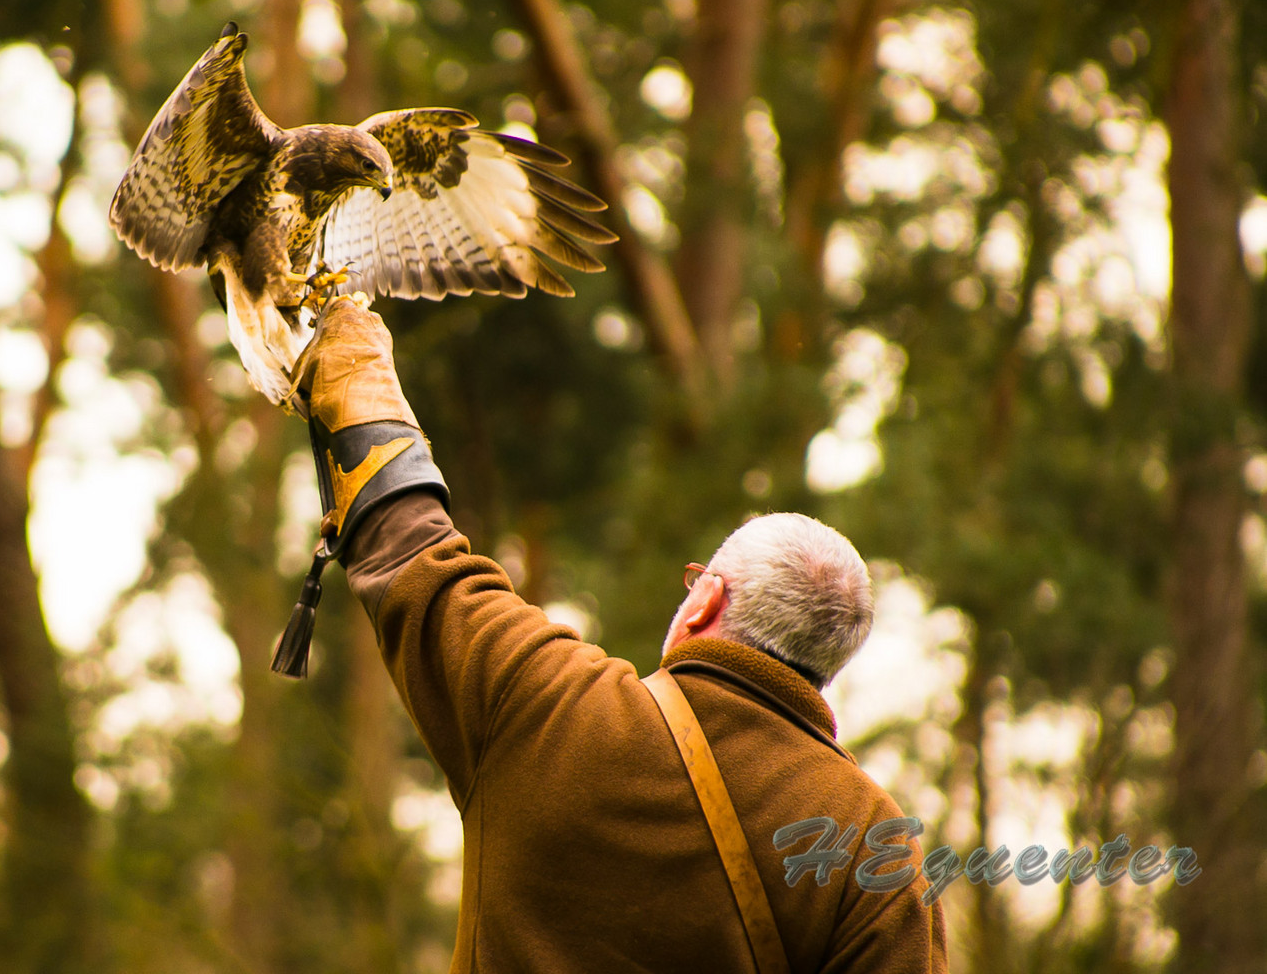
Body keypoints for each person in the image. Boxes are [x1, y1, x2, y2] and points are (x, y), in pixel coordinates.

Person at [292, 298, 948, 973]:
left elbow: (412, 560)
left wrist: (357, 378)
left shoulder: (552, 707)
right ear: (824, 663)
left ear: (706, 603)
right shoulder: (875, 846)